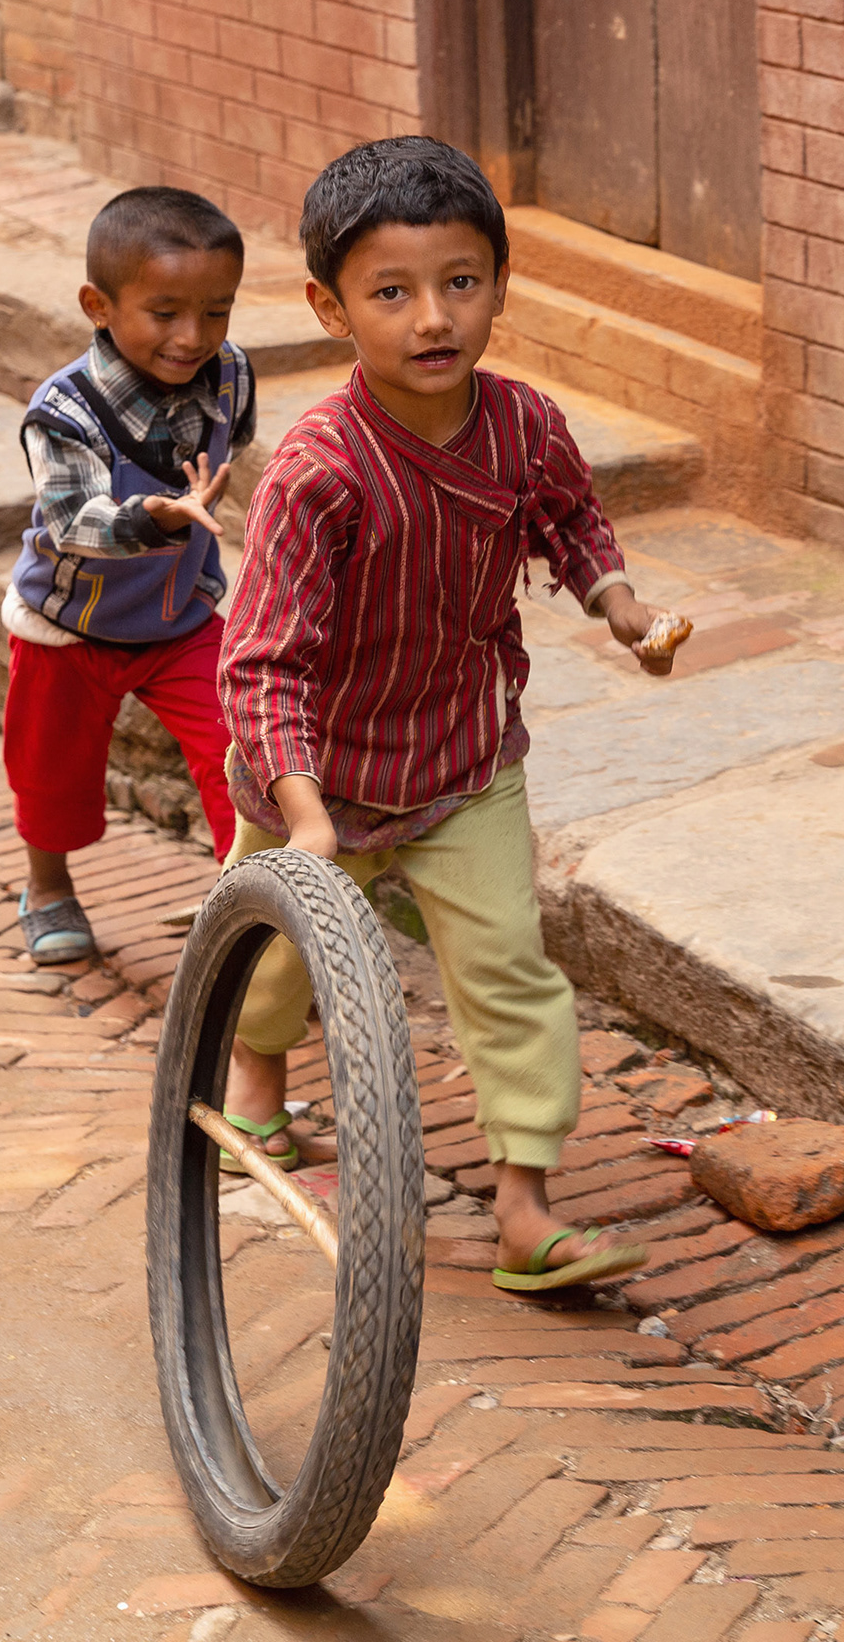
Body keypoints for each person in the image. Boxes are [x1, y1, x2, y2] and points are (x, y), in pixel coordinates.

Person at [218, 137, 685, 1293]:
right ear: (331, 307)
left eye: (461, 283)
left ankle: (525, 1208)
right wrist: (304, 816)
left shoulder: (524, 426)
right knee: (276, 958)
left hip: (466, 759)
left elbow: (571, 522)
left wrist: (620, 607)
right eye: (392, 293)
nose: (434, 318)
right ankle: (256, 1093)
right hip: (315, 772)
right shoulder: (316, 473)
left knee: (509, 971)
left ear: (499, 286)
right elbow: (262, 663)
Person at [3, 186, 254, 964]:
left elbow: (234, 450)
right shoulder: (63, 412)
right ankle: (47, 886)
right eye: (167, 312)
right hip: (68, 626)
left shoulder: (232, 375)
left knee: (241, 754)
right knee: (51, 770)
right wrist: (153, 518)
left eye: (217, 312)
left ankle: (250, 916)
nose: (194, 336)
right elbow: (69, 522)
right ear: (99, 305)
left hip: (180, 623)